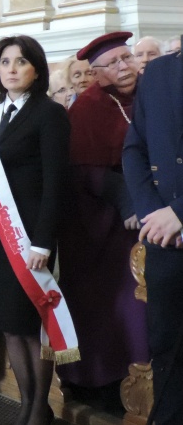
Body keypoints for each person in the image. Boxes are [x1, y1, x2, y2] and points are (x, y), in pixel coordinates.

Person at [0, 35, 71, 425]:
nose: (11, 69)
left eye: (20, 62)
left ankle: (40, 409)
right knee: (9, 325)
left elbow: (56, 183)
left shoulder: (49, 114)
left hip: (30, 239)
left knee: (31, 326)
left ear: (36, 69)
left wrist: (43, 241)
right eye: (5, 61)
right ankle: (26, 404)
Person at [57, 32, 149, 404]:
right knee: (118, 304)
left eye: (127, 58)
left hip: (150, 210)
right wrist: (127, 201)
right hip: (104, 224)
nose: (125, 66)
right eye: (114, 63)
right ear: (95, 73)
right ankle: (107, 381)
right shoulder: (88, 107)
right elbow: (83, 170)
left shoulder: (151, 94)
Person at [123, 49, 183, 424]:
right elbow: (134, 149)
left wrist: (180, 213)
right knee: (168, 350)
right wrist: (153, 214)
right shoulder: (159, 72)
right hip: (165, 242)